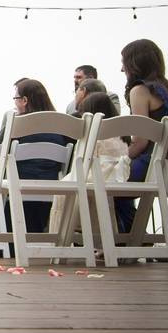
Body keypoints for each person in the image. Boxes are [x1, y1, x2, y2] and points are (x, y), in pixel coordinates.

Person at [120, 39, 168, 232]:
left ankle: (128, 241)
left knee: (103, 185)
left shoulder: (140, 91)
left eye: (124, 63)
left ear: (134, 64)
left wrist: (119, 161)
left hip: (156, 168)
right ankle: (136, 240)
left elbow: (140, 142)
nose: (122, 69)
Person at [49, 92, 131, 233]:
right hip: (114, 179)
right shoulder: (120, 135)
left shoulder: (92, 138)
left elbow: (81, 163)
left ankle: (59, 236)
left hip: (92, 178)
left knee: (63, 189)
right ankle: (103, 239)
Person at [0, 78, 68, 233]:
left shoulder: (17, 125)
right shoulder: (61, 125)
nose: (15, 103)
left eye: (16, 98)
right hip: (51, 189)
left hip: (19, 189)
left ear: (24, 100)